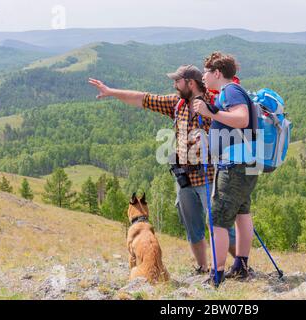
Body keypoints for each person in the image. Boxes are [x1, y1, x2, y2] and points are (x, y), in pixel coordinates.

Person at [88, 65, 236, 274]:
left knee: (220, 226)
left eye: (177, 81)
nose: (174, 85)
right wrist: (111, 92)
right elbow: (143, 99)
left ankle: (240, 264)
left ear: (190, 83)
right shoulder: (177, 104)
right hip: (184, 178)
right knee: (193, 228)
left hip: (209, 176)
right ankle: (203, 268)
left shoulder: (213, 104)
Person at [193, 52, 258, 287]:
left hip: (234, 166)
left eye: (206, 72)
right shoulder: (229, 92)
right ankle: (240, 266)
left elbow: (241, 119)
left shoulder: (230, 91)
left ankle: (216, 275)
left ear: (217, 73)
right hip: (247, 162)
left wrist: (209, 112)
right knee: (242, 213)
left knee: (218, 219)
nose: (203, 76)